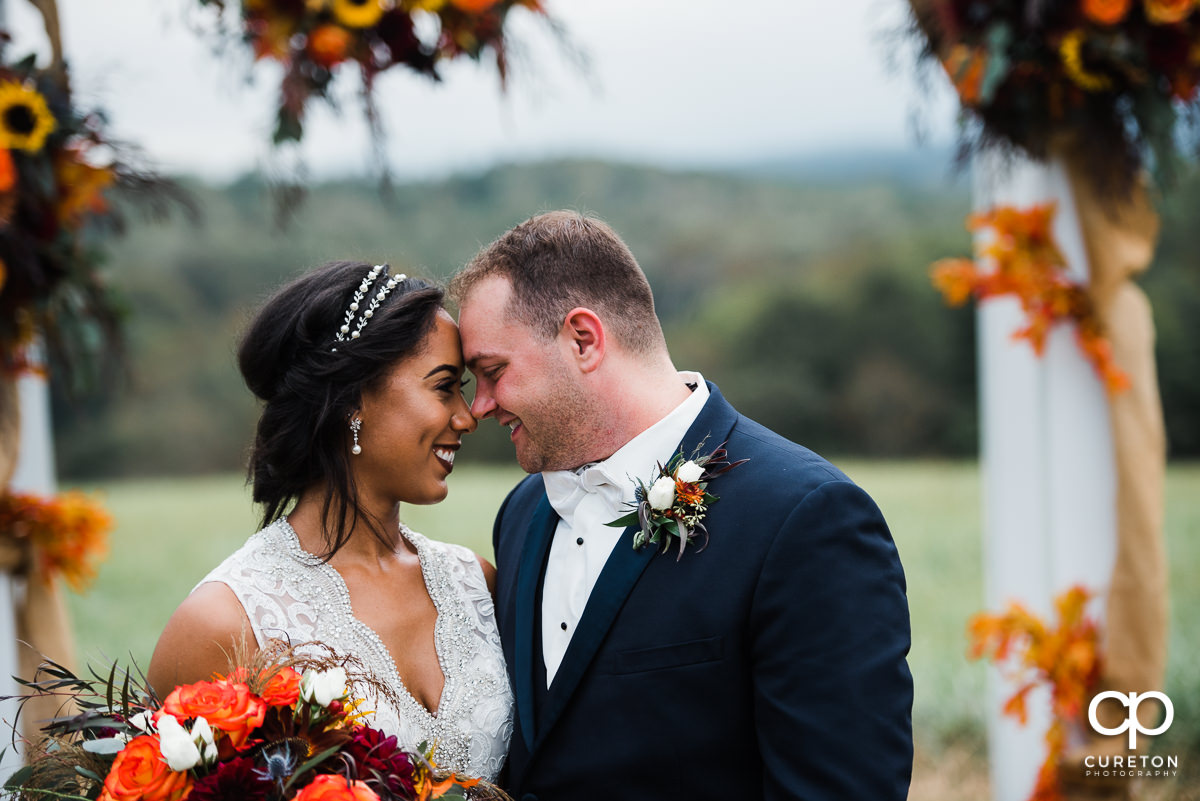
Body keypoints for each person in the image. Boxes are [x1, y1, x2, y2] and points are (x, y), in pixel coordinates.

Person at [450, 211, 913, 801]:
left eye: (492, 372)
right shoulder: (521, 514)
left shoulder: (804, 520)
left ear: (583, 339)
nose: (480, 406)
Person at [147, 261, 513, 782]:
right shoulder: (224, 624)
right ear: (352, 400)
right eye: (444, 387)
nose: (467, 416)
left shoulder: (477, 585)